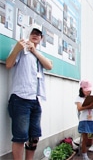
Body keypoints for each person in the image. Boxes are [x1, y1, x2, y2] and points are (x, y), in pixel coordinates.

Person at [6, 25, 53, 160]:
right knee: (20, 138)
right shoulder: (20, 51)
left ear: (41, 38)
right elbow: (9, 64)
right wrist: (17, 48)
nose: (35, 35)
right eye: (33, 32)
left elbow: (49, 65)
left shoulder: (39, 55)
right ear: (28, 33)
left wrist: (34, 50)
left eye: (38, 34)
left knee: (34, 137)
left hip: (35, 100)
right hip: (20, 99)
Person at [75, 80, 93, 160]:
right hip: (84, 120)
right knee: (85, 139)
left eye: (89, 90)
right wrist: (89, 105)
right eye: (86, 91)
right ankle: (85, 156)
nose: (88, 92)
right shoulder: (79, 98)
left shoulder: (92, 97)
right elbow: (79, 108)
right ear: (82, 89)